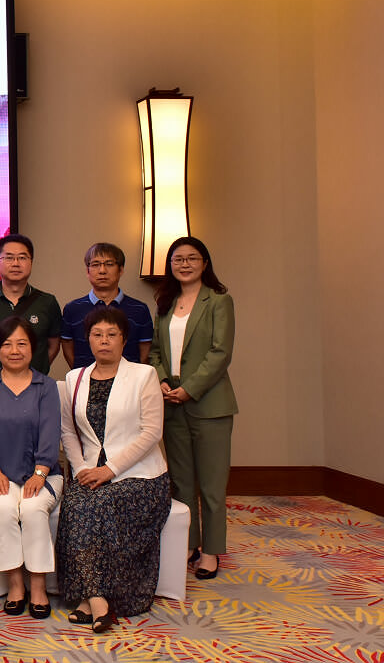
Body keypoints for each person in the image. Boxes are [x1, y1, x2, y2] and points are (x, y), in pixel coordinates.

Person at [56, 306, 170, 633]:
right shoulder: (74, 378)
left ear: (124, 339)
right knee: (75, 503)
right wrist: (82, 468)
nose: (104, 340)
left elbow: (152, 432)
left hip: (141, 476)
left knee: (99, 505)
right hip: (90, 471)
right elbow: (68, 432)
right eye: (97, 334)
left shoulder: (143, 375)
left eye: (111, 335)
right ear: (87, 339)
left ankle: (90, 599)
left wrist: (110, 469)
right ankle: (97, 600)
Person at [149, 236, 236, 581]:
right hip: (172, 404)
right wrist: (161, 380)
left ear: (204, 263)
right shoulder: (165, 303)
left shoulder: (219, 301)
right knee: (181, 482)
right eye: (178, 259)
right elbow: (155, 352)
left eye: (192, 258)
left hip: (209, 404)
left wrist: (189, 389)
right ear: (170, 265)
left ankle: (212, 550)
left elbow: (220, 353)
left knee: (212, 486)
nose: (184, 264)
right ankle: (190, 543)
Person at [0, 316, 63, 620]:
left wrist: (40, 473)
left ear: (33, 348)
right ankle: (15, 586)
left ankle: (38, 586)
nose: (14, 350)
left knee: (34, 508)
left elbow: (51, 435)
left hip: (43, 473)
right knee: (2, 508)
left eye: (22, 344)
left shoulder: (46, 387)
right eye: (7, 344)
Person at [0, 235, 61, 379]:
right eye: (9, 258)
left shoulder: (47, 302)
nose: (16, 263)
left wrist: (37, 369)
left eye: (22, 257)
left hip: (35, 385)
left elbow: (53, 345)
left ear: (31, 262)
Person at [60, 243, 153, 369]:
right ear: (87, 271)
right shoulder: (72, 309)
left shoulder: (140, 309)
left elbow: (145, 352)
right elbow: (67, 348)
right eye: (95, 264)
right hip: (85, 378)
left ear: (121, 270)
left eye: (109, 264)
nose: (102, 270)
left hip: (129, 379)